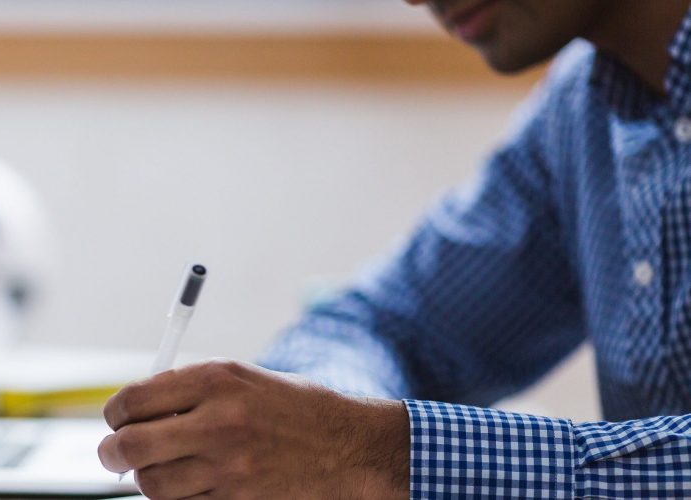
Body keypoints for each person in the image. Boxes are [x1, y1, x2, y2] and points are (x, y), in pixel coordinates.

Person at [97, 0, 691, 498]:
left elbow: (367, 445)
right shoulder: (581, 110)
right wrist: (322, 422)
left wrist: (379, 453)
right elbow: (382, 324)